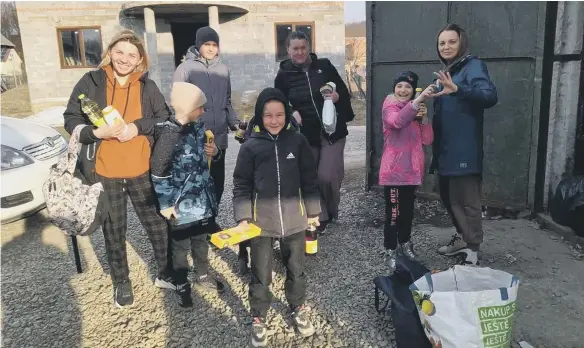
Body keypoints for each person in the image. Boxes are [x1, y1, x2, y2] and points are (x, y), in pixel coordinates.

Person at [63, 29, 173, 308]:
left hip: (141, 169)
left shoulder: (147, 87)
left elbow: (164, 119)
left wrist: (137, 126)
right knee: (114, 230)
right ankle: (121, 282)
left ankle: (165, 272)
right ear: (110, 52)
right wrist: (94, 133)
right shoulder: (91, 81)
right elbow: (70, 118)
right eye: (119, 52)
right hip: (105, 171)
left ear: (140, 60)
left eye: (131, 55)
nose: (124, 59)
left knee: (158, 226)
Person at [232, 87, 320, 347]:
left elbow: (310, 179)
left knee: (296, 268)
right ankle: (258, 316)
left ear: (287, 115)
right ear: (259, 116)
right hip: (260, 224)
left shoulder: (298, 141)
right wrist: (243, 217)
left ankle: (298, 307)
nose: (274, 120)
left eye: (279, 114)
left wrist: (313, 212)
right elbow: (241, 184)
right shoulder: (250, 146)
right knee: (261, 272)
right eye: (268, 115)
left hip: (295, 221)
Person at [150, 82, 225, 307]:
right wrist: (165, 203)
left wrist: (216, 152)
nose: (203, 111)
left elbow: (208, 157)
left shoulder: (198, 128)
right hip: (180, 205)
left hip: (202, 202)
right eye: (199, 107)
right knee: (180, 247)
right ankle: (182, 282)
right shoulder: (168, 134)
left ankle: (203, 274)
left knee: (201, 240)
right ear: (186, 108)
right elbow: (159, 173)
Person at [429, 23, 498, 266]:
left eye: (451, 42)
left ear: (462, 43)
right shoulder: (449, 71)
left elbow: (489, 96)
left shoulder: (472, 66)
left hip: (463, 148)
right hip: (445, 148)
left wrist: (457, 88)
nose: (446, 47)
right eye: (442, 43)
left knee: (467, 200)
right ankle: (462, 237)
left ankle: (473, 249)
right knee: (448, 196)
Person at [274, 30, 355, 234]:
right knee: (311, 177)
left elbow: (344, 92)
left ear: (309, 47)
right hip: (306, 134)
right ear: (288, 50)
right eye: (295, 48)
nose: (300, 52)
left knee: (328, 176)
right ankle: (322, 216)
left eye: (303, 47)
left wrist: (337, 97)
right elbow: (279, 102)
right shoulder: (283, 75)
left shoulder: (324, 66)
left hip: (332, 130)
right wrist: (292, 112)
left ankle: (332, 207)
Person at [173, 26, 239, 220]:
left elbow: (227, 101)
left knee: (217, 182)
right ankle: (197, 223)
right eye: (206, 44)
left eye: (214, 45)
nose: (211, 49)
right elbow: (178, 103)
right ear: (198, 44)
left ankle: (211, 220)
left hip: (218, 137)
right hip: (197, 137)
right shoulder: (185, 68)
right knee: (197, 182)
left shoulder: (223, 69)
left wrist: (235, 123)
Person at [379, 71, 434, 270]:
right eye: (399, 86)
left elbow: (427, 140)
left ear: (413, 90)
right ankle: (390, 248)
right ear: (394, 88)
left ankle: (405, 243)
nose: (403, 90)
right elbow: (396, 122)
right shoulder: (389, 106)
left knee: (408, 212)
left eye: (408, 87)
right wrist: (417, 101)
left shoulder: (416, 109)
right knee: (393, 214)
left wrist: (425, 118)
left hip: (412, 172)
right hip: (394, 173)